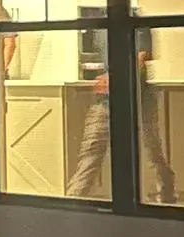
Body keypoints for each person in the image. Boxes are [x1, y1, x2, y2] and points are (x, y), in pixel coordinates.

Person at [66, 24, 177, 204]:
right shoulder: (100, 27)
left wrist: (114, 77)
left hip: (138, 97)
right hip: (106, 98)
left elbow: (140, 57)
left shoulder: (136, 22)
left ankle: (166, 194)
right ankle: (73, 200)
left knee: (150, 148)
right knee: (92, 148)